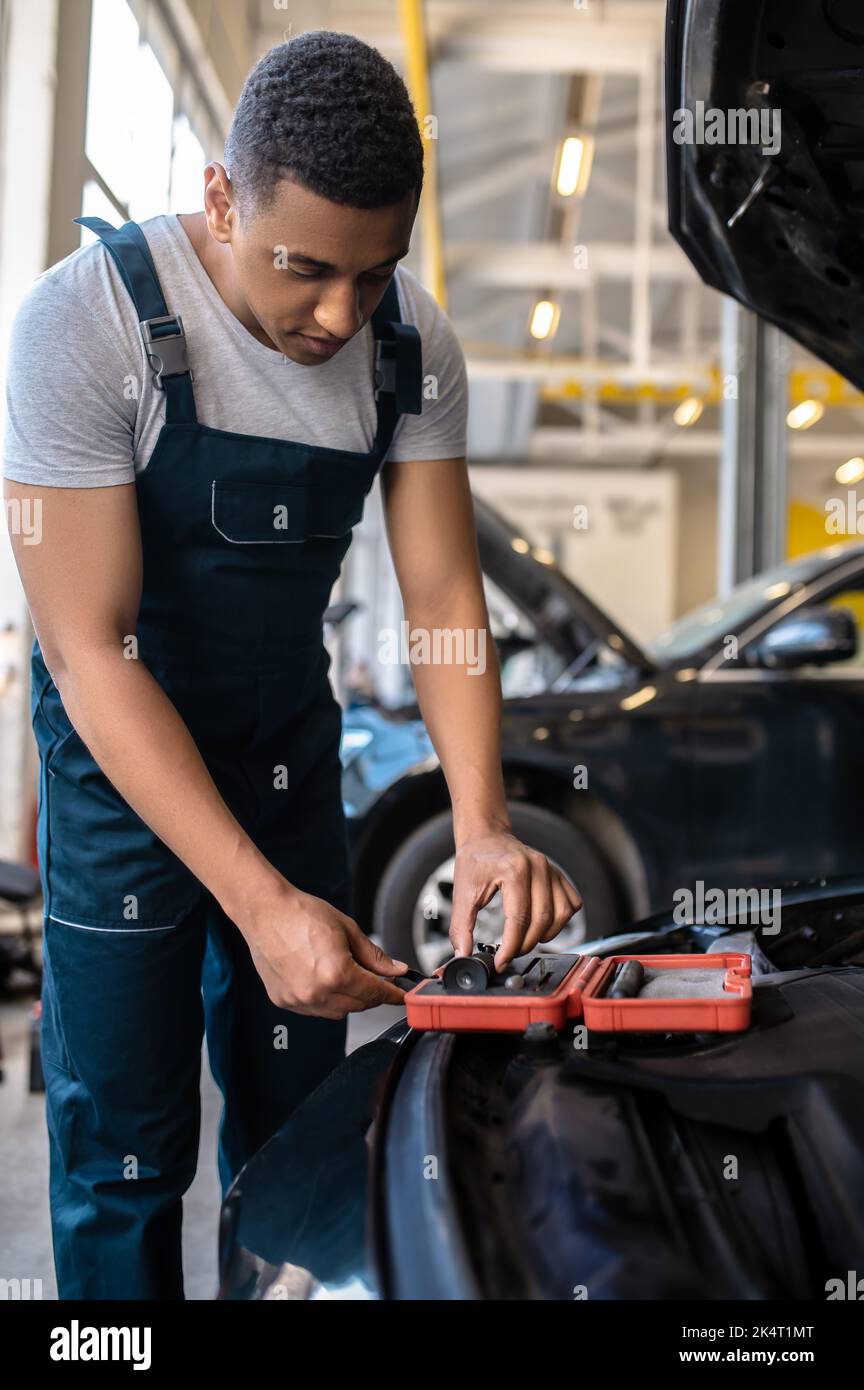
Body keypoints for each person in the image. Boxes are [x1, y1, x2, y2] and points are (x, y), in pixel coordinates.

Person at [2, 30, 582, 1299]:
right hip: (120, 777)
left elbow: (438, 593)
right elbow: (91, 652)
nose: (337, 315)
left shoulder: (409, 344)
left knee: (296, 1125)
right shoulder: (81, 325)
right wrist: (258, 907)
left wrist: (481, 824)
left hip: (283, 750)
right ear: (221, 198)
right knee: (125, 1148)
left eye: (372, 276)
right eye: (304, 268)